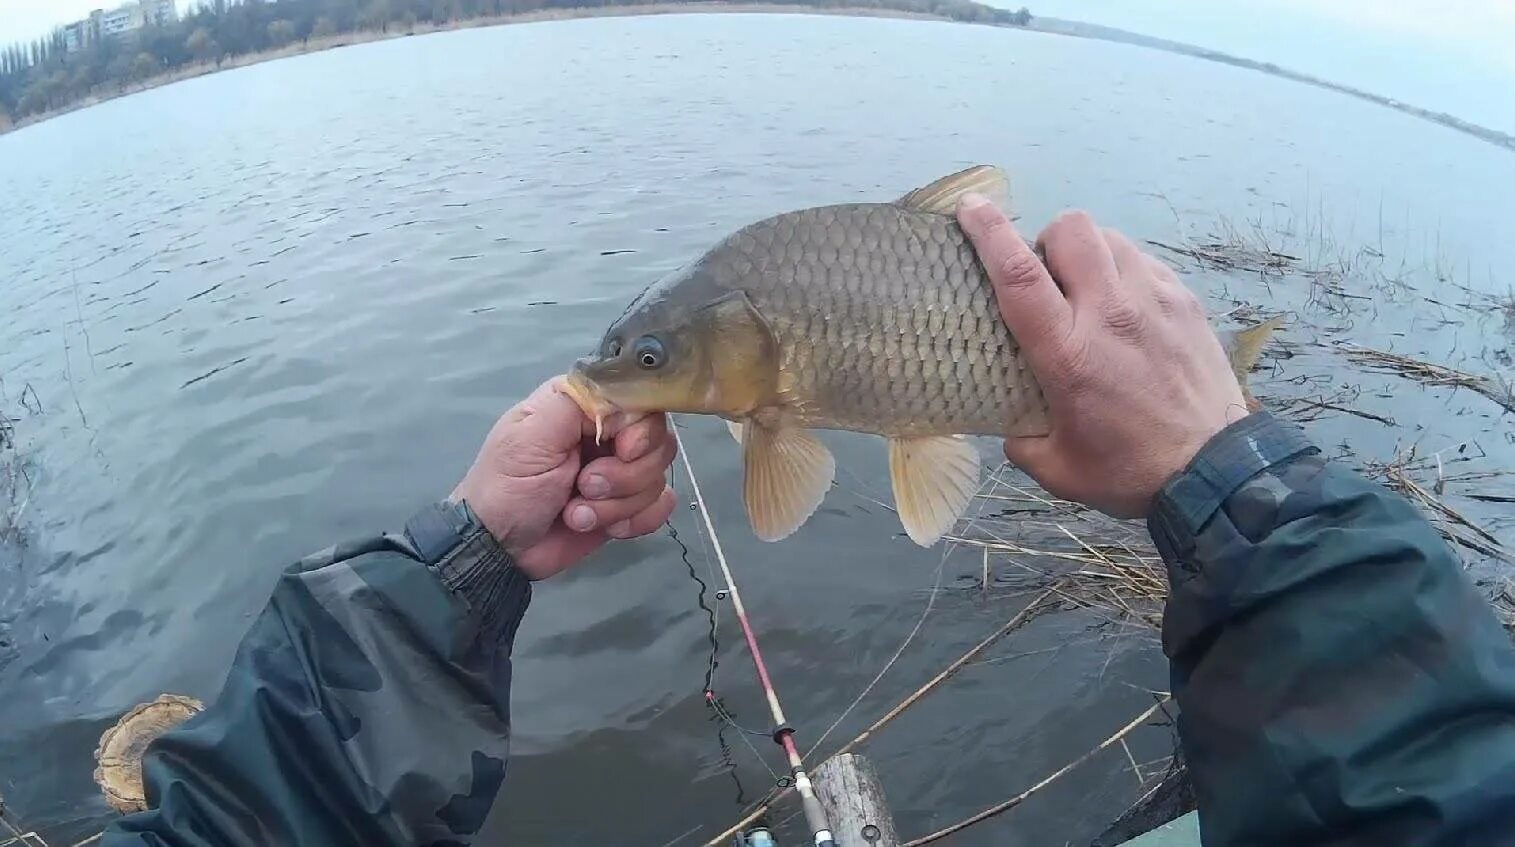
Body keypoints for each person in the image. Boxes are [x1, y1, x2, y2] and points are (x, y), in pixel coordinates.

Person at [101, 198, 1515, 847]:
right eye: (645, 361)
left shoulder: (775, 324)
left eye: (653, 360)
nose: (620, 379)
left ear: (738, 349)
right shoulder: (745, 339)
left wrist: (457, 557)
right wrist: (1224, 475)